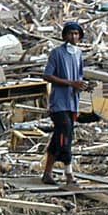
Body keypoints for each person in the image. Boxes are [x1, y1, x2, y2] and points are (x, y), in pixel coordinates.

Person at [42, 21, 87, 187]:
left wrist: (80, 85)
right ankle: (69, 173)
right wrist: (70, 83)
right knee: (65, 136)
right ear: (65, 36)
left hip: (72, 102)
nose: (73, 37)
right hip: (59, 103)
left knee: (58, 138)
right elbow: (47, 75)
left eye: (76, 34)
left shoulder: (78, 54)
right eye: (70, 34)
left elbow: (80, 76)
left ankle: (47, 173)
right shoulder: (56, 53)